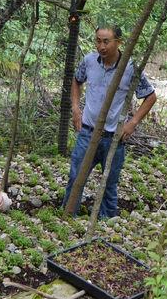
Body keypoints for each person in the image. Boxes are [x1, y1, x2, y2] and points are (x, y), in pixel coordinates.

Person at [62, 24, 157, 219]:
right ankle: (68, 216)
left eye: (106, 41)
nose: (101, 46)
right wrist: (76, 108)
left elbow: (150, 96)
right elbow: (76, 80)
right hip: (87, 132)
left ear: (118, 42)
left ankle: (107, 222)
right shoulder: (89, 61)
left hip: (113, 137)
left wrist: (132, 123)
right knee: (76, 177)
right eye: (98, 41)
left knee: (109, 183)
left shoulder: (130, 68)